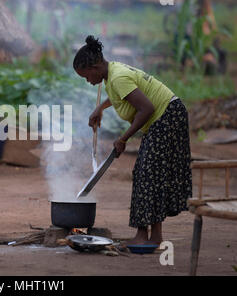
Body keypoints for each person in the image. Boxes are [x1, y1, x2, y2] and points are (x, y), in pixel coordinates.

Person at [73, 35, 192, 245]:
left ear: (94, 66)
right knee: (151, 173)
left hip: (167, 116)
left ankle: (141, 236)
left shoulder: (118, 77)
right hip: (168, 115)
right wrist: (100, 107)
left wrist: (123, 139)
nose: (88, 82)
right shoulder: (112, 74)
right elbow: (122, 95)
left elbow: (147, 108)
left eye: (86, 76)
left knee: (146, 174)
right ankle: (154, 236)